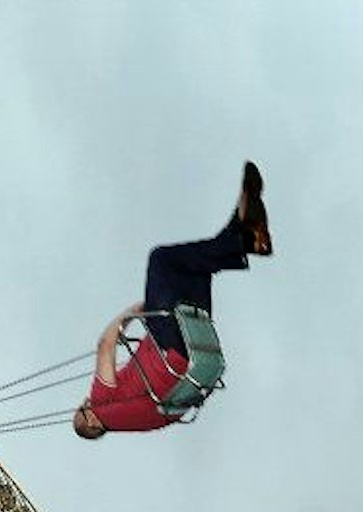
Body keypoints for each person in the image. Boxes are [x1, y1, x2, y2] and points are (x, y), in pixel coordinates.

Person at [73, 162, 271, 440]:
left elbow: (175, 408)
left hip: (198, 353)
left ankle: (245, 229)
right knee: (161, 259)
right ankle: (245, 238)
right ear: (92, 421)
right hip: (170, 345)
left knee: (197, 267)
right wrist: (130, 314)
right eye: (83, 408)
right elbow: (105, 345)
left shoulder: (144, 424)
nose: (86, 401)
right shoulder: (101, 403)